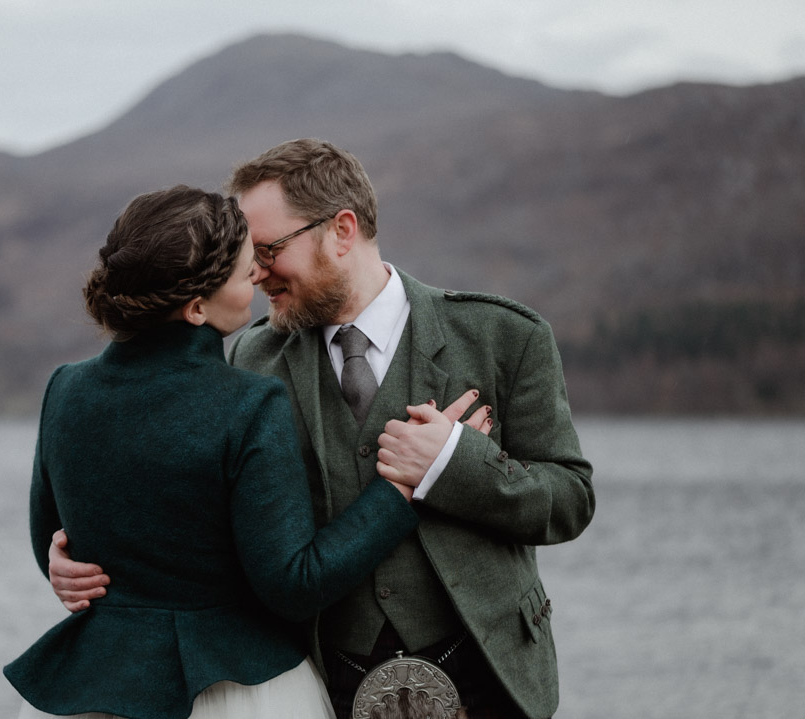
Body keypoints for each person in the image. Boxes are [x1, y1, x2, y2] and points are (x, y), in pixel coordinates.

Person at [48, 140, 596, 719]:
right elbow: (212, 528)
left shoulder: (504, 337)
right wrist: (82, 559)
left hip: (489, 672)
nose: (255, 273)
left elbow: (569, 500)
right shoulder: (247, 362)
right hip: (316, 680)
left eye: (268, 250)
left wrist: (454, 462)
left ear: (341, 230)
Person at [3, 185, 432, 719]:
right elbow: (294, 584)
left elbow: (48, 535)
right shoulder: (248, 404)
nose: (256, 276)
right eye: (242, 269)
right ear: (197, 308)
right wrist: (398, 489)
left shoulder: (63, 389)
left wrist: (57, 565)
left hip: (93, 690)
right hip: (233, 692)